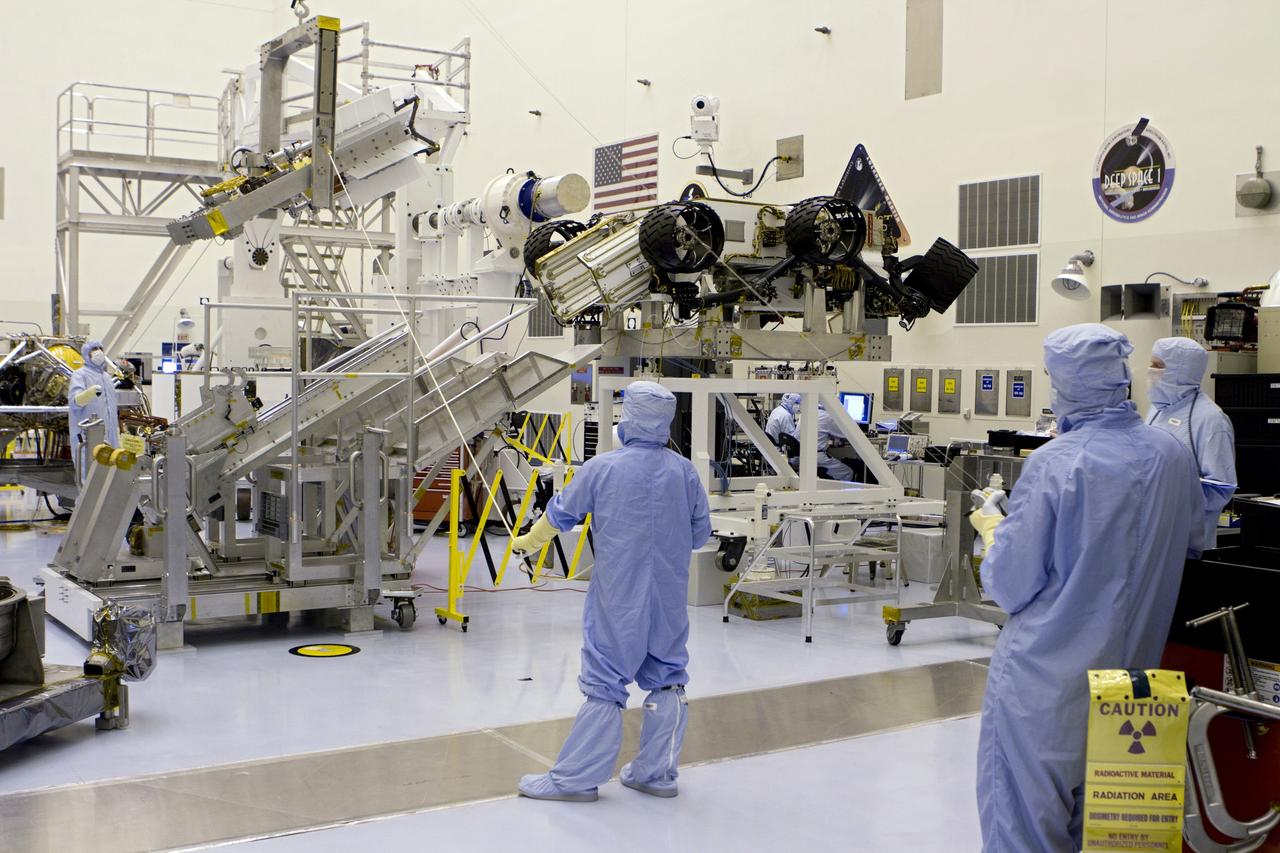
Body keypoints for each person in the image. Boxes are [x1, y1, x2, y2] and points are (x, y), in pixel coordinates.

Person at [969, 324, 1203, 852]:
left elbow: (1009, 586)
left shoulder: (1058, 462)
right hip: (1131, 686)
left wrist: (993, 532)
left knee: (1024, 830)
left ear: (1068, 383)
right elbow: (1191, 537)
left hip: (1045, 685)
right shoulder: (1172, 456)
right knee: (1106, 836)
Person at [510, 380, 712, 802]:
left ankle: (576, 780)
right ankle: (656, 775)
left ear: (630, 419)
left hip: (619, 598)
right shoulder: (684, 472)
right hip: (669, 599)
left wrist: (528, 541)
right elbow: (699, 535)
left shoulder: (603, 468)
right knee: (668, 679)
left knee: (605, 681)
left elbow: (559, 514)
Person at [1147, 336, 1237, 548]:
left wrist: (1168, 496)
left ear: (1180, 371)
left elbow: (1220, 488)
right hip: (1154, 533)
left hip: (1189, 540)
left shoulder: (1210, 419)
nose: (1150, 371)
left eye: (1157, 366)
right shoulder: (1157, 409)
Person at [68, 339, 120, 480]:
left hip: (111, 436)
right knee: (89, 477)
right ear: (86, 354)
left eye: (100, 348)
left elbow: (112, 409)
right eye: (93, 349)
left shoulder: (107, 378)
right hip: (88, 437)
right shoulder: (80, 375)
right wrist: (89, 393)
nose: (98, 352)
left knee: (111, 478)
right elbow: (74, 402)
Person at [814, 400, 854, 481]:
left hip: (801, 456)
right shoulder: (827, 417)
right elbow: (846, 435)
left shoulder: (807, 413)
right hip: (817, 457)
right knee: (847, 472)